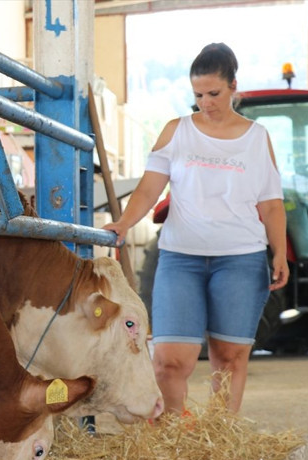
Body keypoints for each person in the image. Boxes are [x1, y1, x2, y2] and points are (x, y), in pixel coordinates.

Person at [104, 43, 289, 415]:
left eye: (214, 93)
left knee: (229, 359)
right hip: (180, 259)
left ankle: (220, 440)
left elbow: (270, 203)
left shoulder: (257, 138)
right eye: (198, 95)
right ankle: (177, 441)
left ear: (234, 86)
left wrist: (280, 251)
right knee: (169, 362)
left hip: (241, 259)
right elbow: (149, 188)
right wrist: (124, 222)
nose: (205, 102)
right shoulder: (177, 132)